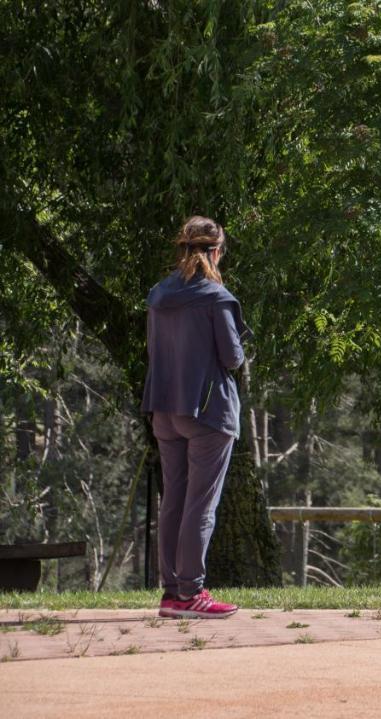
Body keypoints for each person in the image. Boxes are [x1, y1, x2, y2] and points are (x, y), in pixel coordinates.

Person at [141, 216, 249, 618]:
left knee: (173, 501)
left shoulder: (158, 295)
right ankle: (191, 592)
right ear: (216, 251)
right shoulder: (216, 297)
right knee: (200, 506)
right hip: (207, 410)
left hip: (164, 408)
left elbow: (153, 350)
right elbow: (232, 357)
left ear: (183, 249)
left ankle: (172, 593)